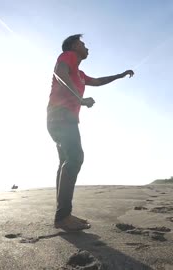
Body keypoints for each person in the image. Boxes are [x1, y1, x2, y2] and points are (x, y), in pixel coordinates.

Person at [47, 34, 134, 231]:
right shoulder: (67, 56)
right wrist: (80, 98)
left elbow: (97, 81)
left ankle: (63, 214)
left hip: (59, 117)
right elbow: (60, 74)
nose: (87, 48)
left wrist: (119, 75)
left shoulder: (80, 74)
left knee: (65, 162)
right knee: (75, 158)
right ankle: (63, 216)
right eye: (83, 44)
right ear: (73, 46)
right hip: (61, 115)